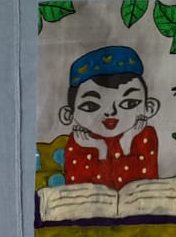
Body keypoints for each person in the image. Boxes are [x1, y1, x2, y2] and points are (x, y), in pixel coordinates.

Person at [58, 45, 160, 190]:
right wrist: (100, 149)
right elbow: (78, 191)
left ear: (149, 108)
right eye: (91, 106)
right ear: (68, 115)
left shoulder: (144, 134)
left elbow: (146, 186)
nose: (111, 112)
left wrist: (127, 142)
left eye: (129, 103)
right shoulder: (80, 141)